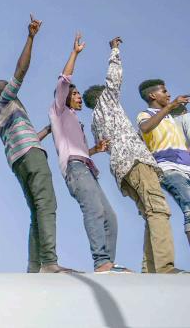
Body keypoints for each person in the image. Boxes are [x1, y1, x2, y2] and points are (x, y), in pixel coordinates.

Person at [83, 37, 181, 273]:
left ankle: (150, 269)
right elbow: (114, 78)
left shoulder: (96, 121)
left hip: (122, 171)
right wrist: (114, 50)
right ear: (102, 96)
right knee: (158, 209)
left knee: (150, 214)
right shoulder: (106, 103)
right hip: (136, 163)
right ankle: (165, 267)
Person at [0, 15, 76, 273]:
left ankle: (35, 266)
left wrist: (49, 129)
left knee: (36, 210)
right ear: (3, 91)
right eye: (8, 87)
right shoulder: (6, 101)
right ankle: (49, 262)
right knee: (47, 204)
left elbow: (27, 138)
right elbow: (21, 71)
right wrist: (30, 37)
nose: (13, 87)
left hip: (20, 160)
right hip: (32, 157)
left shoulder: (0, 118)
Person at [49, 33, 127, 273]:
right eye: (75, 94)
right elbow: (64, 79)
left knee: (110, 218)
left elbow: (79, 149)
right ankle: (101, 262)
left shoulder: (75, 122)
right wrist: (75, 53)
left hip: (86, 168)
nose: (79, 97)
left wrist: (95, 149)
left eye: (79, 94)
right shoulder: (58, 111)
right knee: (93, 210)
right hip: (75, 169)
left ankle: (108, 264)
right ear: (64, 97)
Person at [136, 78, 190, 247]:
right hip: (168, 168)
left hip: (186, 166)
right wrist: (170, 106)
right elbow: (144, 128)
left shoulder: (173, 118)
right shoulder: (146, 115)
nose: (169, 94)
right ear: (153, 95)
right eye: (164, 91)